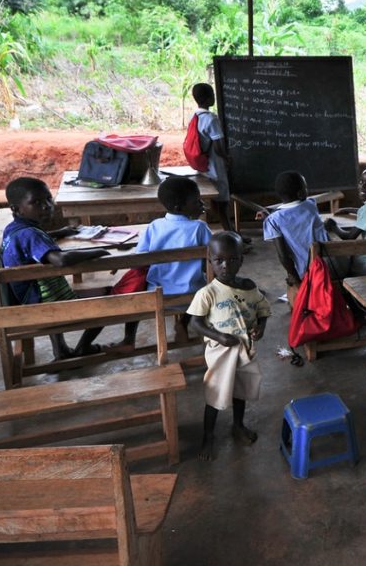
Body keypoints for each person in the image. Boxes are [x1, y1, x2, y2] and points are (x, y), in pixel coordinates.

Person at [0, 177, 112, 359]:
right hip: (41, 305)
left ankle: (61, 350)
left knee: (51, 285)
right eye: (36, 202)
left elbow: (33, 242)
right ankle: (83, 347)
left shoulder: (15, 228)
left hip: (27, 298)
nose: (46, 206)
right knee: (111, 295)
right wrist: (98, 251)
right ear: (16, 209)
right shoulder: (30, 234)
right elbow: (61, 259)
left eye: (48, 199)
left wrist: (61, 232)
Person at [105, 176, 212, 354]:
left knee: (137, 289)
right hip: (192, 295)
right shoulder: (199, 227)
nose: (201, 203)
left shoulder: (154, 226)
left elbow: (139, 259)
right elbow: (215, 254)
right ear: (179, 207)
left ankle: (128, 339)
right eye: (196, 201)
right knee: (207, 287)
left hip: (156, 295)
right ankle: (183, 323)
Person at [188, 232, 270, 461]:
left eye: (233, 260)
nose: (226, 266)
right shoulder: (207, 293)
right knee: (216, 392)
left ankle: (238, 426)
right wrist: (219, 337)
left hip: (244, 349)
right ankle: (208, 435)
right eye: (219, 261)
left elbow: (263, 310)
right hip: (220, 353)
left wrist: (261, 327)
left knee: (240, 390)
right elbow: (195, 323)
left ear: (242, 258)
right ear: (210, 260)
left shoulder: (250, 287)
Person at [262, 171, 328, 299]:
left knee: (290, 274)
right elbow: (294, 212)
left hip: (306, 272)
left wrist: (297, 281)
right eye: (305, 187)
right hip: (330, 263)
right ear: (300, 193)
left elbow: (283, 256)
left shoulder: (273, 220)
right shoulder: (311, 205)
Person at [323, 166, 366, 276]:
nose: (362, 187)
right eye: (361, 182)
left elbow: (349, 237)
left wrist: (334, 227)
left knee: (336, 262)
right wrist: (348, 209)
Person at [190, 82, 239, 237]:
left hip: (203, 166)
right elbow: (218, 147)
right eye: (212, 95)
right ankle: (231, 235)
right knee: (223, 203)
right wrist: (227, 158)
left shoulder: (195, 117)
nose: (214, 98)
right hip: (215, 165)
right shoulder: (211, 119)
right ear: (207, 98)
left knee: (216, 202)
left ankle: (231, 232)